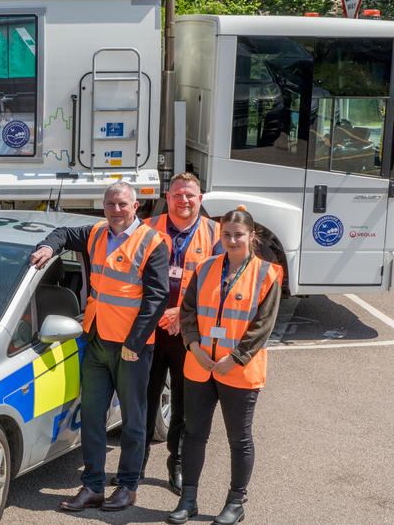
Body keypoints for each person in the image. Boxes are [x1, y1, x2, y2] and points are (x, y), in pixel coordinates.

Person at [30, 181, 169, 512]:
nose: (116, 210)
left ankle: (127, 486)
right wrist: (48, 247)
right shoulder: (96, 233)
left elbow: (157, 297)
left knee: (134, 420)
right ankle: (92, 486)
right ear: (103, 206)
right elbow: (62, 234)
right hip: (97, 341)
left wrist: (135, 343)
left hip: (132, 347)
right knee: (92, 416)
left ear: (136, 207)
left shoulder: (152, 242)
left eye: (123, 205)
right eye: (110, 204)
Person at [167, 209, 281, 525]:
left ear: (251, 236)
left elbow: (262, 326)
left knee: (239, 439)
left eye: (238, 235)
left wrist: (235, 358)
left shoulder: (266, 274)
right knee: (194, 434)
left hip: (239, 370)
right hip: (200, 365)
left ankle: (235, 503)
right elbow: (187, 312)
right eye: (227, 234)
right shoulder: (205, 269)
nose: (231, 240)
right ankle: (188, 500)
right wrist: (193, 345)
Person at [141, 173, 223, 493]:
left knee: (183, 403)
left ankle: (175, 461)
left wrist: (181, 312)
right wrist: (159, 311)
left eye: (190, 195)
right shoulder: (148, 227)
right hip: (150, 328)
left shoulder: (214, 233)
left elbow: (217, 286)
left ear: (200, 198)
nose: (184, 201)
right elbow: (133, 273)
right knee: (143, 398)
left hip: (188, 331)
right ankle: (137, 462)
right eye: (178, 194)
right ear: (168, 195)